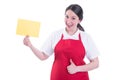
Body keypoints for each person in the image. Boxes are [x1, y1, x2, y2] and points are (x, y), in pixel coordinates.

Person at [23, 4, 99, 80]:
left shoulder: (86, 37)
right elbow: (43, 56)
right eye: (67, 16)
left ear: (79, 20)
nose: (68, 21)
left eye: (73, 18)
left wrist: (77, 69)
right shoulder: (56, 35)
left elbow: (96, 63)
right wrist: (30, 45)